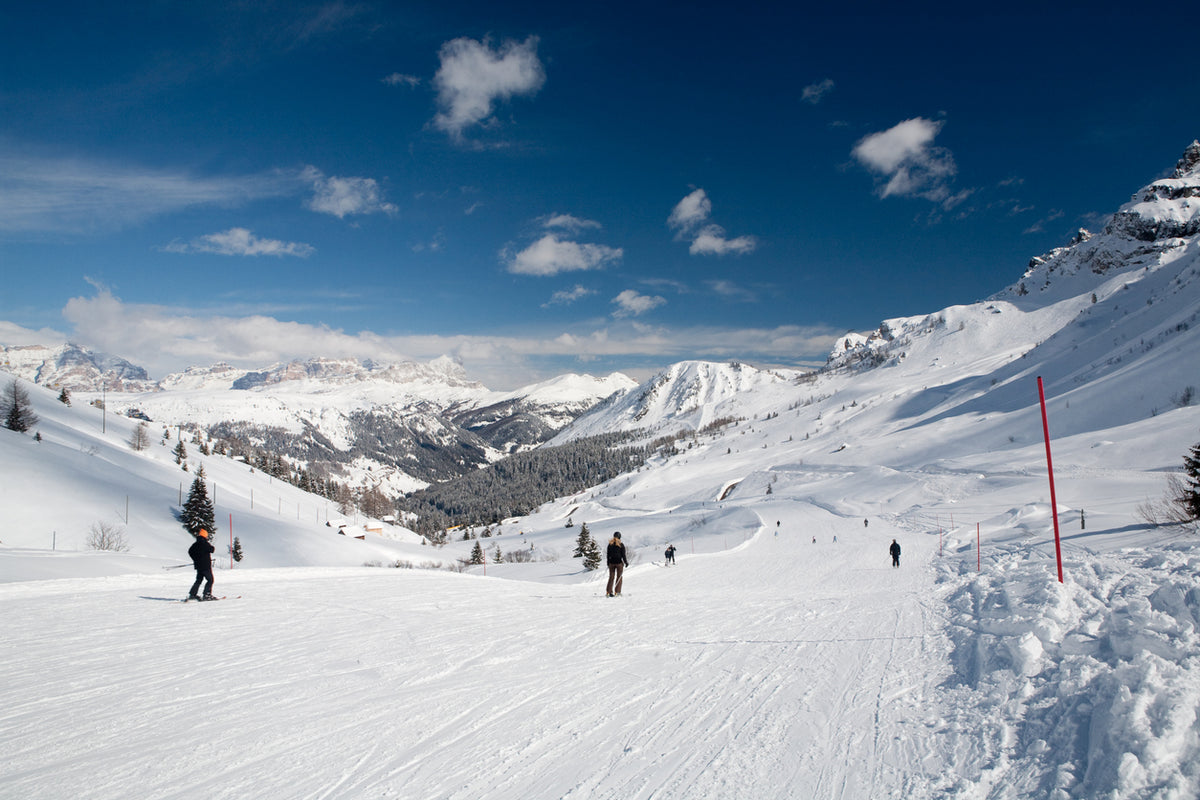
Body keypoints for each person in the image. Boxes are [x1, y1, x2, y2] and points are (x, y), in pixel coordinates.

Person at [188, 529, 216, 600]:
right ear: (205, 536)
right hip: (205, 566)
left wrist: (196, 559)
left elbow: (190, 552)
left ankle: (192, 594)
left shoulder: (195, 544)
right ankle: (207, 595)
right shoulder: (204, 543)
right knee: (210, 580)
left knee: (199, 580)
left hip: (198, 566)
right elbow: (212, 549)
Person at [606, 532, 628, 596]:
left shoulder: (610, 544)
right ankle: (617, 592)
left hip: (611, 563)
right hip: (619, 563)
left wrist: (608, 562)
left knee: (611, 577)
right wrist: (626, 562)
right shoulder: (621, 544)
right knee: (619, 577)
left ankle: (609, 592)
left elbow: (608, 555)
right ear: (620, 537)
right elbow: (623, 555)